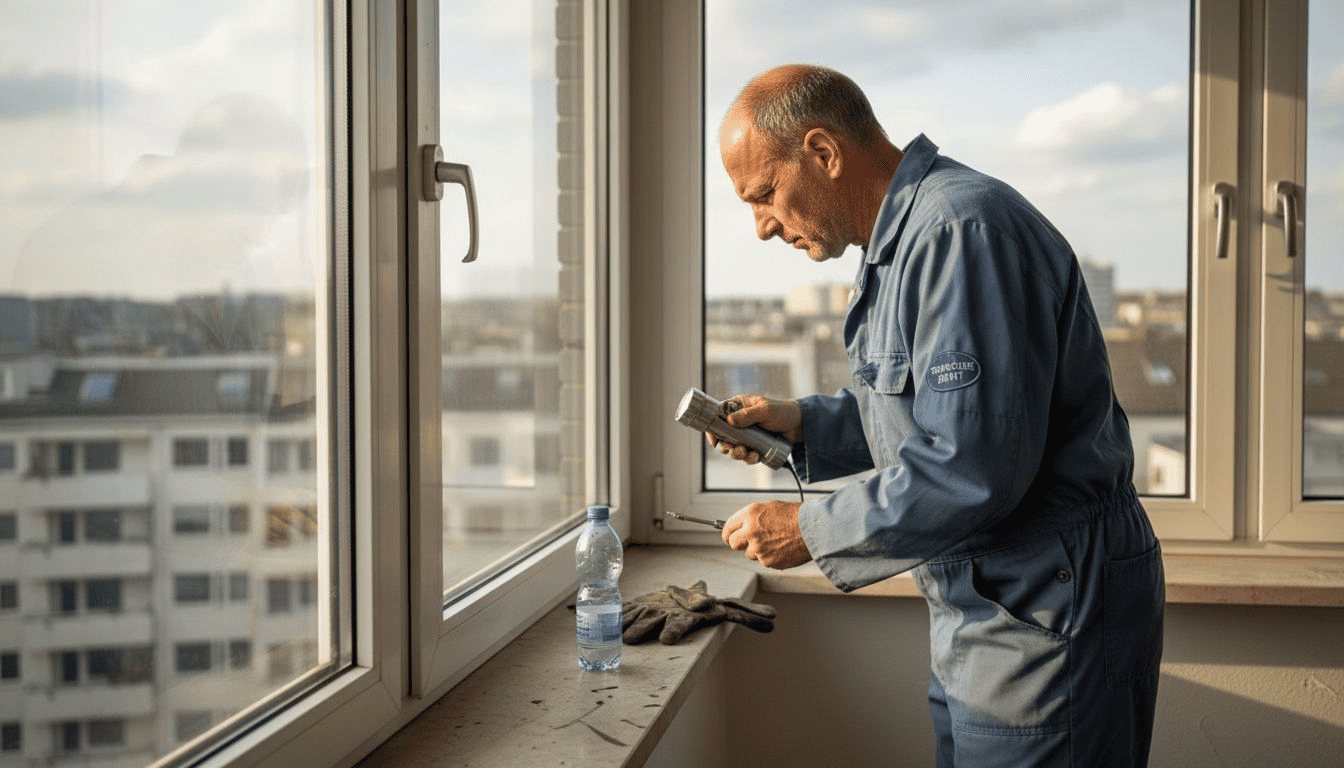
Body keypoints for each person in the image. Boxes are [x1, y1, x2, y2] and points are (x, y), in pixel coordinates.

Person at [711, 64, 1164, 768]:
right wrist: (802, 425)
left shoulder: (960, 233)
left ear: (823, 153)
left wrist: (810, 529)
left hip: (1046, 605)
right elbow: (929, 414)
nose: (763, 227)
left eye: (765, 195)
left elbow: (972, 464)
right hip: (986, 608)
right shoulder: (900, 244)